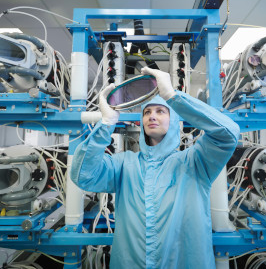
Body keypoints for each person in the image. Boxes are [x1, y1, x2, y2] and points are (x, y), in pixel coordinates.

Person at [71, 67, 240, 269]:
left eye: (161, 111)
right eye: (147, 112)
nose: (152, 116)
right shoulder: (125, 164)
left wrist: (172, 96)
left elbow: (228, 134)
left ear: (174, 121)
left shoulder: (195, 161)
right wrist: (106, 123)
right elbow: (83, 175)